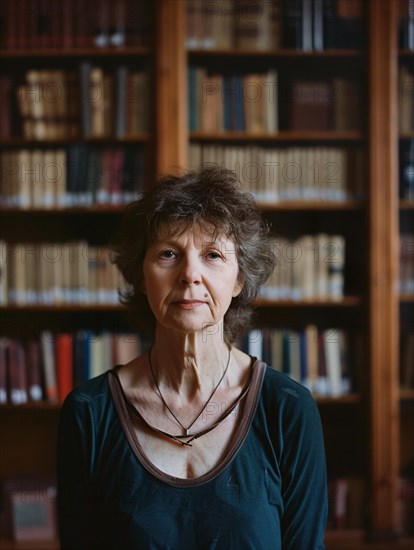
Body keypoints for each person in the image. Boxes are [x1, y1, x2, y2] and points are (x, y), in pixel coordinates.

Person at [57, 167, 327, 549]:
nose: (190, 275)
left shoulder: (289, 410)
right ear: (141, 275)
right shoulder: (89, 413)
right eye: (169, 253)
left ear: (238, 280)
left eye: (212, 254)